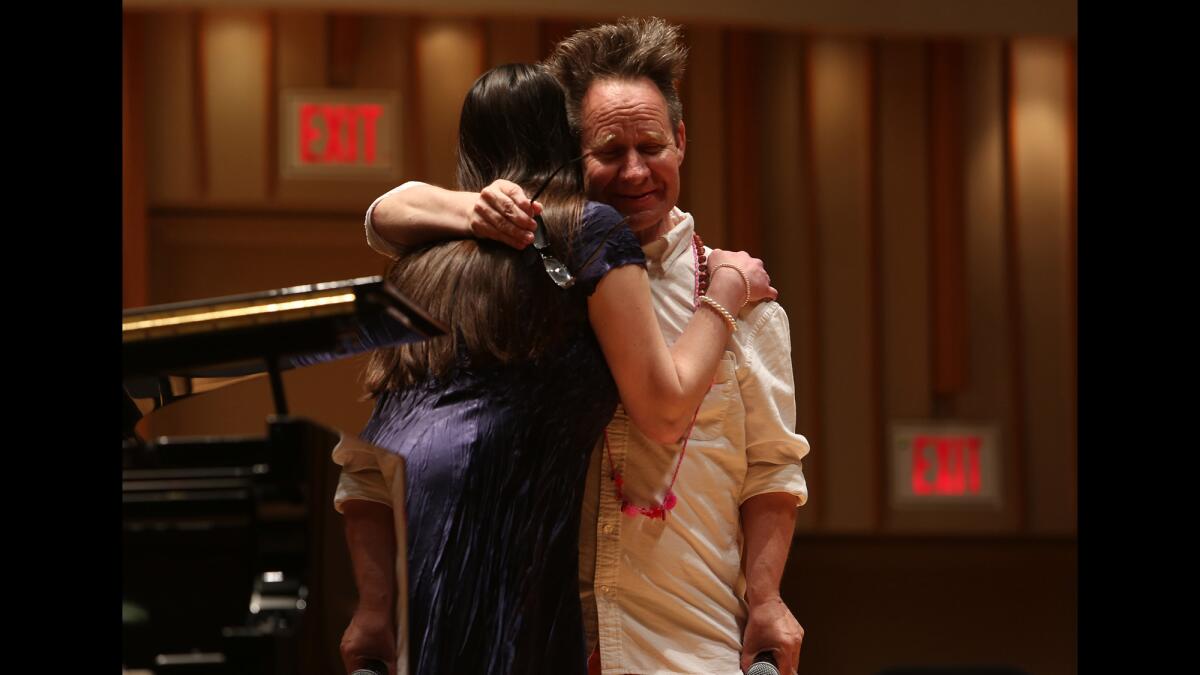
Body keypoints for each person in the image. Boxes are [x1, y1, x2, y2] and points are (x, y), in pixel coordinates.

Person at [363, 18, 811, 675]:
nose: (635, 170)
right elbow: (382, 215)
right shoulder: (531, 275)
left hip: (686, 649)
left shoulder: (750, 304)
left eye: (651, 145)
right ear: (572, 156)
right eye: (609, 151)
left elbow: (772, 468)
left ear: (681, 141)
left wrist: (768, 597)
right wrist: (474, 209)